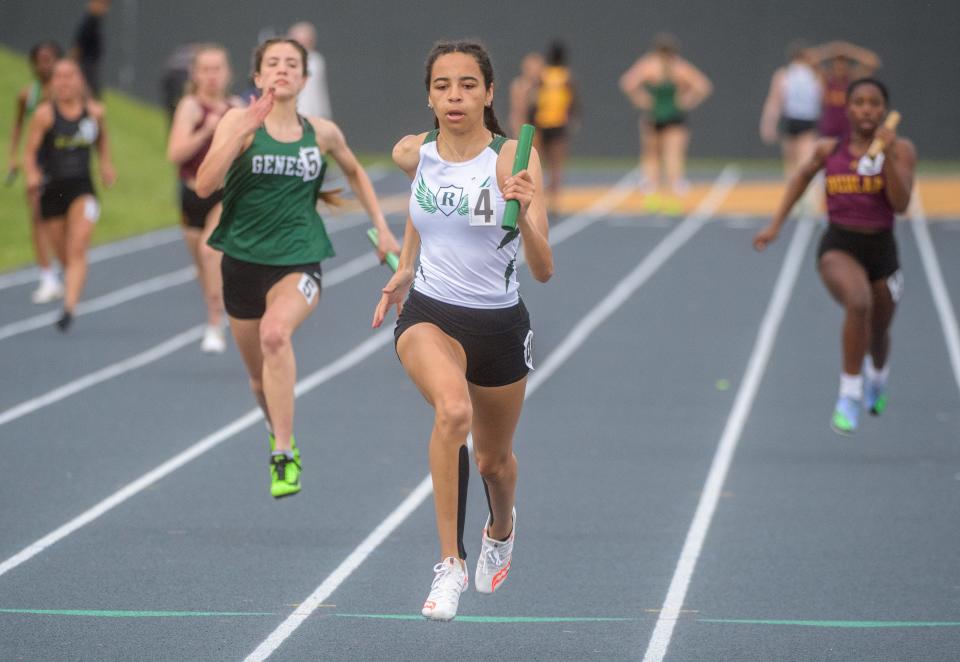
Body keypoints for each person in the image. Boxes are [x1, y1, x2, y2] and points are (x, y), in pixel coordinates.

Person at [372, 40, 553, 621]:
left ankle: (501, 528)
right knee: (452, 413)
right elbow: (423, 201)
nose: (456, 95)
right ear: (429, 94)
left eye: (468, 84)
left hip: (500, 323)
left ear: (489, 93)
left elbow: (545, 269)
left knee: (493, 463)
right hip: (431, 312)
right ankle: (448, 563)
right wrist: (405, 265)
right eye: (444, 85)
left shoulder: (511, 160)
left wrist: (524, 211)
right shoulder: (411, 151)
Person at [196, 38, 399, 498]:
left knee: (275, 334)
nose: (283, 70)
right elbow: (206, 183)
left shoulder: (321, 132)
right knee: (256, 378)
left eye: (292, 64)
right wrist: (241, 127)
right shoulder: (238, 121)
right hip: (242, 261)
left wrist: (382, 228)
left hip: (299, 257)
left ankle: (283, 452)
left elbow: (354, 171)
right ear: (258, 77)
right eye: (273, 63)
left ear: (305, 79)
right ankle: (276, 429)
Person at [753, 79, 915, 434]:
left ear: (884, 111)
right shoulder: (829, 149)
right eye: (859, 102)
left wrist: (885, 154)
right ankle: (848, 394)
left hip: (882, 250)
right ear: (848, 109)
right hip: (839, 245)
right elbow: (799, 179)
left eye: (874, 103)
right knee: (858, 304)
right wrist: (776, 225)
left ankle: (878, 376)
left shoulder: (901, 149)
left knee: (879, 331)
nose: (867, 109)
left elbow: (901, 204)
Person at [23, 58, 116, 331]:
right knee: (63, 251)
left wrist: (106, 165)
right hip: (52, 189)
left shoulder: (94, 112)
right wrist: (31, 174)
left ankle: (69, 308)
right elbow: (30, 152)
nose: (64, 82)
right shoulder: (45, 115)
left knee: (78, 245)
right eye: (59, 77)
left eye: (70, 76)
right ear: (52, 82)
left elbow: (102, 140)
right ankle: (72, 279)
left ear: (80, 80)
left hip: (82, 189)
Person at [166, 44, 236, 353]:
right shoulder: (190, 107)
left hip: (225, 192)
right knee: (202, 266)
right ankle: (220, 300)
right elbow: (175, 153)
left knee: (210, 252)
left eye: (217, 68)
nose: (211, 76)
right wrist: (206, 131)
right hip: (192, 193)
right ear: (195, 74)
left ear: (227, 72)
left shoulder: (236, 107)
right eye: (205, 69)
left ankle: (214, 323)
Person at [619, 33, 712, 215]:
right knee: (673, 159)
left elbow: (628, 84)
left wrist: (643, 100)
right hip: (674, 117)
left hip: (654, 116)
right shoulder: (680, 67)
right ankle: (672, 202)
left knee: (652, 158)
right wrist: (686, 100)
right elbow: (703, 86)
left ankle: (653, 201)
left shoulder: (649, 65)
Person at [7, 41, 64, 303]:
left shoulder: (69, 90)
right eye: (40, 59)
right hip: (39, 164)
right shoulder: (27, 94)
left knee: (62, 223)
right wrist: (12, 157)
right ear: (33, 64)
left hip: (65, 164)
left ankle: (68, 269)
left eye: (50, 59)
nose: (45, 65)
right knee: (38, 218)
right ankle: (47, 277)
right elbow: (18, 126)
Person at [760, 41, 823, 180]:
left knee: (791, 165)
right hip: (807, 121)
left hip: (791, 121)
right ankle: (805, 195)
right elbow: (822, 99)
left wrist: (768, 125)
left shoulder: (784, 74)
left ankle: (793, 192)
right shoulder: (815, 75)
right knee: (806, 162)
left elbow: (774, 102)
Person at [533, 40, 578, 210]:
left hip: (542, 122)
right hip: (559, 124)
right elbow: (573, 101)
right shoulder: (567, 76)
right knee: (556, 165)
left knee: (539, 163)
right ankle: (555, 202)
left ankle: (541, 200)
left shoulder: (542, 75)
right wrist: (572, 119)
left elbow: (534, 100)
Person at [814, 41, 881, 139]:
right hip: (828, 131)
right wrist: (832, 51)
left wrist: (848, 50)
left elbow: (872, 62)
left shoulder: (852, 80)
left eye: (843, 64)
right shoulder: (826, 80)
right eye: (837, 64)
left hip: (848, 131)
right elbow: (810, 60)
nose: (840, 68)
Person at [287, 22, 332, 120]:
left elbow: (319, 91)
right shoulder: (283, 62)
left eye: (306, 40)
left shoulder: (317, 61)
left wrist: (324, 113)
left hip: (313, 114)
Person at [71, 0, 110, 99]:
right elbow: (78, 45)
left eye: (105, 5)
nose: (103, 8)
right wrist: (72, 64)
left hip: (91, 64)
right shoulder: (88, 22)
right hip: (86, 64)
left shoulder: (96, 21)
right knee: (90, 92)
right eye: (100, 3)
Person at [508, 52, 542, 139]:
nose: (535, 73)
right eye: (532, 69)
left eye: (538, 69)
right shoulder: (520, 86)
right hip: (524, 126)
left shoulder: (543, 86)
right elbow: (518, 111)